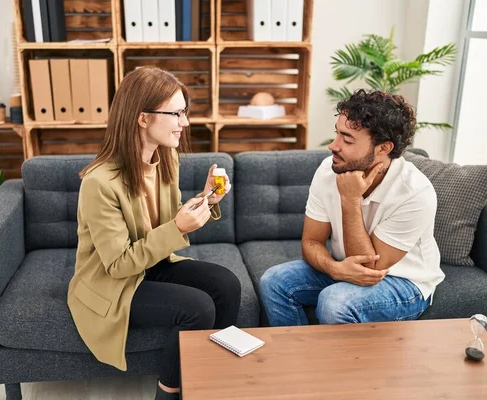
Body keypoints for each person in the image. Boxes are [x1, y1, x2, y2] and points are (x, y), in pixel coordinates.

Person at [67, 66, 241, 400]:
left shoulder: (166, 158)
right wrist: (178, 228)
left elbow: (166, 222)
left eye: (184, 113)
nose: (185, 123)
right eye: (177, 113)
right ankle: (168, 393)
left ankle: (208, 378)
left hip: (151, 264)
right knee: (198, 308)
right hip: (113, 283)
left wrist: (207, 199)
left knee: (227, 285)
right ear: (143, 117)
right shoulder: (98, 183)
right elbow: (118, 264)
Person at [259, 89, 445, 327]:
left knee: (335, 301)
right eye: (337, 134)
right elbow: (311, 242)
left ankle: (335, 364)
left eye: (347, 140)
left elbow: (369, 268)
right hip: (344, 266)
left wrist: (350, 199)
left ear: (383, 148)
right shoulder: (329, 169)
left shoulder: (415, 192)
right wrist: (335, 269)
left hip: (403, 281)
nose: (333, 146)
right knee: (274, 281)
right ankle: (298, 358)